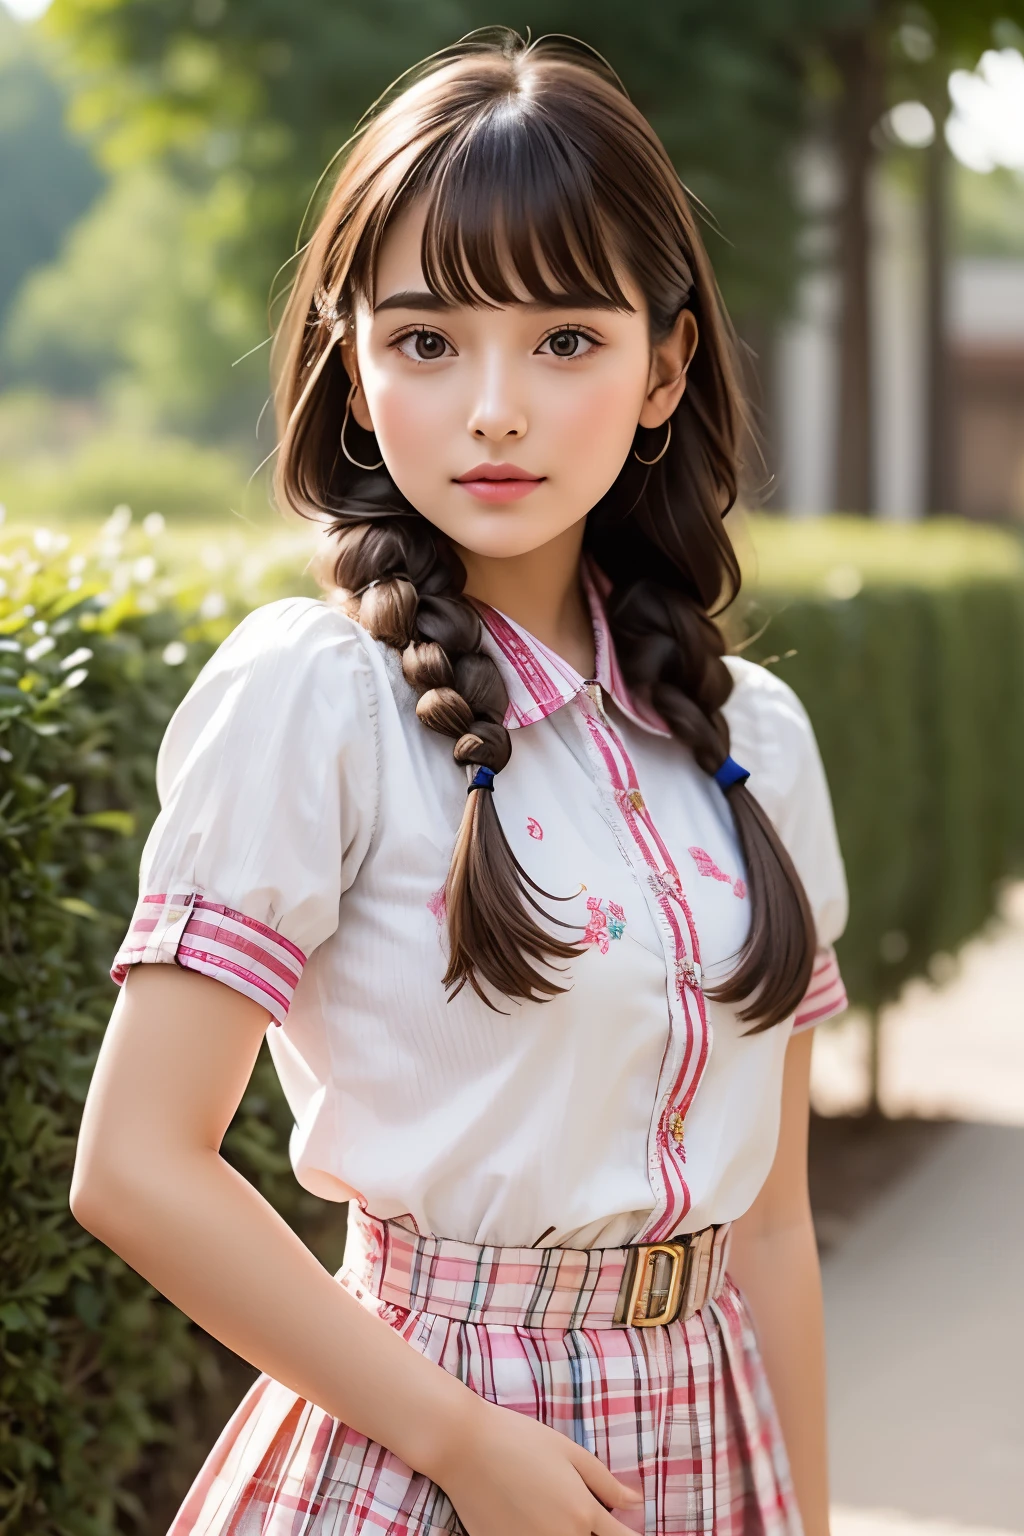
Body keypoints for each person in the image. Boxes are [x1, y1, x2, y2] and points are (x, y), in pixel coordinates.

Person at [71, 30, 848, 1536]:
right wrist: (468, 1446)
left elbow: (773, 1222)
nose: (495, 407)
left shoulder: (758, 736)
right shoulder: (322, 696)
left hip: (712, 1436)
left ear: (663, 367)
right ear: (354, 371)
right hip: (418, 1454)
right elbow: (135, 1166)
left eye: (566, 340)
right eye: (428, 340)